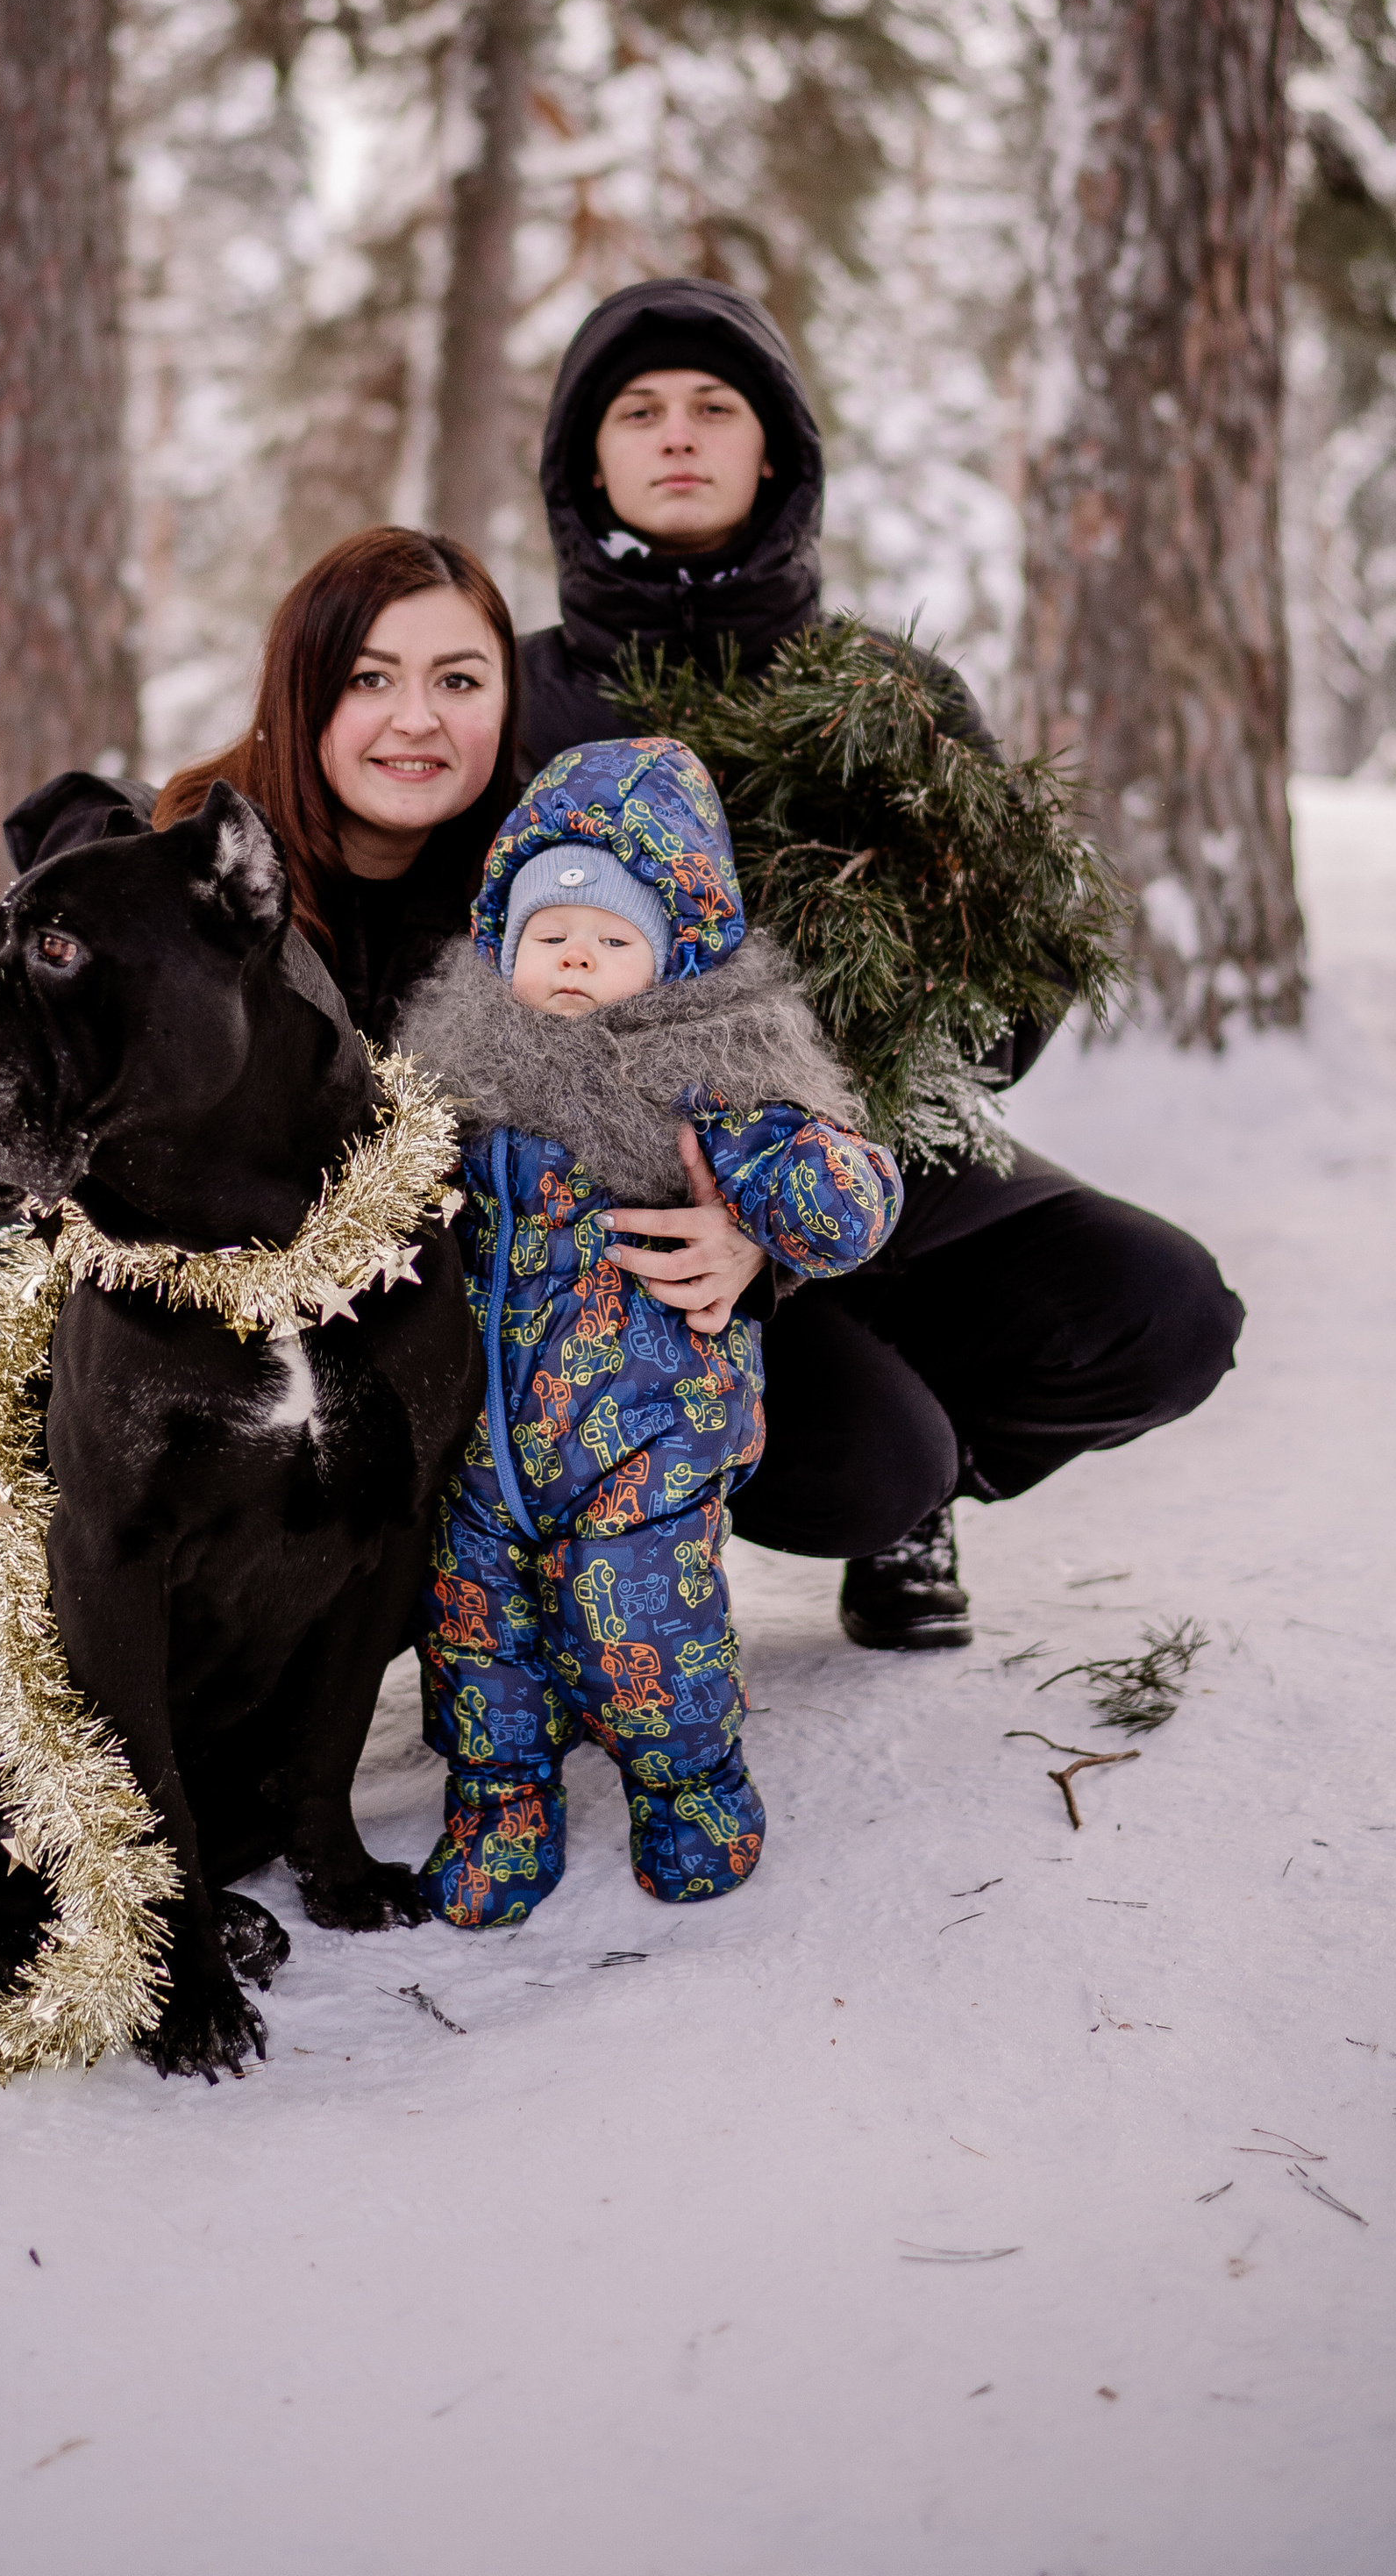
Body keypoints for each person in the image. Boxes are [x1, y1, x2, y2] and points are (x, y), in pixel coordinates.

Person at [0, 527, 525, 1994]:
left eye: (456, 678)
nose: (414, 715)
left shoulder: (546, 883)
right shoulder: (181, 864)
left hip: (258, 1662)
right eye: (367, 678)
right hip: (33, 1695)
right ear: (302, 702)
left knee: (378, 1527)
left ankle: (287, 1826)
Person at [512, 278, 1246, 1651]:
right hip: (628, 1214)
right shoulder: (519, 692)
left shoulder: (888, 691)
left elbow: (1011, 981)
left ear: (776, 450)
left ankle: (931, 1470)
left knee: (1166, 1310)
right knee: (866, 1465)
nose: (679, 435)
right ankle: (648, 1512)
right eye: (639, 411)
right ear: (584, 461)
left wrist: (825, 1150)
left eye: (716, 408)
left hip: (892, 1165)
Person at [395, 737, 903, 1927]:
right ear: (499, 949)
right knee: (476, 1644)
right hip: (478, 1451)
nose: (576, 952)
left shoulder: (707, 1086)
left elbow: (845, 1200)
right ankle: (500, 1808)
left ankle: (691, 1789)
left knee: (652, 1639)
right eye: (549, 934)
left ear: (673, 960)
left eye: (613, 938)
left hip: (648, 1442)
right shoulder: (452, 1091)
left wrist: (804, 1190)